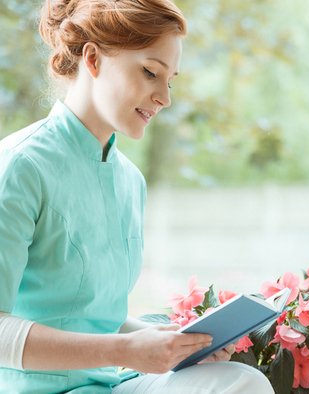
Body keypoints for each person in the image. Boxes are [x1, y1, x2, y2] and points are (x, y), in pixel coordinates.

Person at [0, 1, 273, 393]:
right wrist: (127, 349)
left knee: (240, 382)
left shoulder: (129, 180)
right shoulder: (19, 165)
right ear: (92, 59)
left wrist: (174, 344)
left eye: (170, 80)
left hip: (110, 383)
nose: (164, 97)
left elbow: (93, 317)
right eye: (150, 72)